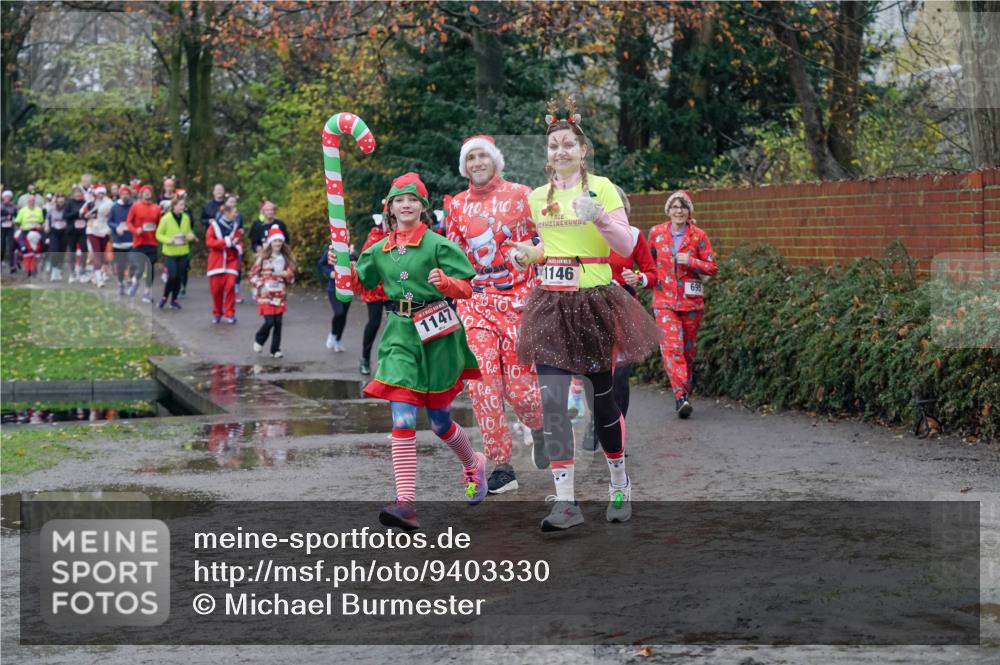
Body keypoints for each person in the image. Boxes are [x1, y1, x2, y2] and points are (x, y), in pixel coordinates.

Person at [508, 97, 660, 531]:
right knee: (553, 402)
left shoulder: (603, 188)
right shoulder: (538, 197)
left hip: (594, 300)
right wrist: (528, 254)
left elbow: (627, 245)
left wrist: (601, 219)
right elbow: (550, 245)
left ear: (582, 149)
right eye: (553, 145)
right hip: (550, 304)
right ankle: (566, 502)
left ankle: (619, 483)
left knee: (602, 400)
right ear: (547, 153)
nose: (560, 151)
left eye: (568, 144)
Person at [351, 172, 486, 531]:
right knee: (403, 419)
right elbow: (360, 285)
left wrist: (447, 282)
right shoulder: (378, 250)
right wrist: (343, 272)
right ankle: (406, 504)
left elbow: (466, 288)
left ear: (423, 207)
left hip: (437, 336)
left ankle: (473, 464)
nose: (406, 205)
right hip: (399, 333)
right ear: (390, 208)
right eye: (400, 200)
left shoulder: (437, 244)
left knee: (440, 422)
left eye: (413, 199)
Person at [446, 134, 544, 495]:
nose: (476, 163)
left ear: (495, 160)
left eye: (482, 156)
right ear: (464, 166)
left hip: (519, 304)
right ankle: (502, 465)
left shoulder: (522, 195)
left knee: (522, 393)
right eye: (470, 158)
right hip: (476, 305)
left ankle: (539, 427)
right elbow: (451, 254)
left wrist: (531, 253)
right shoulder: (457, 205)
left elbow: (547, 238)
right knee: (483, 386)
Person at [581, 189, 657, 451]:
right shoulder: (583, 234)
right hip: (589, 307)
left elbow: (651, 273)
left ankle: (616, 431)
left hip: (623, 308)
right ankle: (596, 421)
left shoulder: (632, 235)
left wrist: (639, 278)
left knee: (620, 377)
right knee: (591, 373)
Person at [647, 190, 717, 418]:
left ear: (689, 212)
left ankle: (685, 391)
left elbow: (712, 267)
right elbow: (648, 263)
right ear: (668, 211)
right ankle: (680, 396)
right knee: (672, 348)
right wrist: (641, 279)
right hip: (664, 301)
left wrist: (692, 261)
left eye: (683, 207)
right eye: (675, 207)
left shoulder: (698, 236)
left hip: (691, 303)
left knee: (687, 351)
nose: (679, 211)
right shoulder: (656, 233)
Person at [251, 227, 295, 358]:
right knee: (269, 322)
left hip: (279, 295)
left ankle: (275, 350)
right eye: (275, 241)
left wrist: (287, 274)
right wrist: (260, 286)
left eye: (280, 241)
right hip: (266, 295)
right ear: (270, 242)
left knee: (278, 323)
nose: (277, 243)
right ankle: (259, 339)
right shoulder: (263, 258)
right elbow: (253, 275)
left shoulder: (285, 259)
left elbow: (291, 279)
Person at [357, 214, 389, 375]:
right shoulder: (374, 238)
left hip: (393, 289)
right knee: (374, 323)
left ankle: (392, 362)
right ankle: (365, 357)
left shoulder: (401, 236)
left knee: (397, 322)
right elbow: (364, 262)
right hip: (375, 289)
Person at [155, 196, 196, 310]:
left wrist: (190, 236)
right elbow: (158, 234)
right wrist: (169, 240)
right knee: (172, 276)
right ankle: (164, 297)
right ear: (174, 206)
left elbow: (189, 232)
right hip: (170, 252)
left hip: (183, 251)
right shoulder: (166, 218)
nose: (183, 207)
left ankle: (174, 300)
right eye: (181, 205)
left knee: (179, 277)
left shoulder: (186, 217)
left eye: (184, 205)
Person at [206, 201, 243, 323]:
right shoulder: (214, 226)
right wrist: (225, 242)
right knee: (216, 290)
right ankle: (217, 312)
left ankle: (230, 313)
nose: (236, 214)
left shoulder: (235, 227)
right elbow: (209, 242)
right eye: (234, 212)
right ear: (227, 213)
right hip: (216, 262)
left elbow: (239, 240)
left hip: (231, 260)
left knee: (230, 286)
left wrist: (237, 246)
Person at [125, 184, 163, 302]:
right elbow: (128, 222)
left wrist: (159, 233)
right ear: (141, 194)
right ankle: (135, 282)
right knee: (140, 268)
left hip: (152, 242)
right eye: (145, 191)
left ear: (152, 194)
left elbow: (160, 224)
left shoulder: (156, 208)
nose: (147, 193)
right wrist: (135, 230)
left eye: (149, 191)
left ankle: (147, 292)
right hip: (139, 242)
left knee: (150, 268)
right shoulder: (135, 207)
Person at [85, 184, 114, 287]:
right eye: (99, 193)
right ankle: (99, 278)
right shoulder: (90, 202)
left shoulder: (109, 203)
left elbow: (112, 214)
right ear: (95, 193)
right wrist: (86, 215)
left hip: (104, 230)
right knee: (97, 252)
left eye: (102, 193)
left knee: (101, 254)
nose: (100, 195)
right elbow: (82, 213)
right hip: (92, 230)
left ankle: (96, 274)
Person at [108, 184, 135, 295]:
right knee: (120, 265)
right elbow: (110, 222)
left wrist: (133, 227)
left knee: (133, 262)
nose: (125, 196)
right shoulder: (115, 207)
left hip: (131, 240)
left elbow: (137, 220)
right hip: (118, 241)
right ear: (119, 195)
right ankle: (120, 283)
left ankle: (130, 281)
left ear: (130, 195)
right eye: (123, 194)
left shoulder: (133, 206)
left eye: (127, 194)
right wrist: (116, 227)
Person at [63, 186, 88, 282]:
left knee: (84, 249)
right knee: (72, 251)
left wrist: (86, 216)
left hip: (83, 231)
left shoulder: (84, 203)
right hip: (72, 231)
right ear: (73, 194)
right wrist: (77, 213)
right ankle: (72, 272)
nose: (78, 194)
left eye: (79, 192)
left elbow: (88, 215)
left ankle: (82, 269)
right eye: (76, 193)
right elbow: (65, 216)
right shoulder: (69, 203)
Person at [44, 194, 68, 281]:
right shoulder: (52, 210)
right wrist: (46, 226)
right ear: (56, 202)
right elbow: (47, 219)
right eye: (59, 202)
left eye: (62, 202)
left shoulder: (67, 209)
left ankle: (59, 270)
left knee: (62, 252)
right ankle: (54, 270)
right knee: (55, 251)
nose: (61, 203)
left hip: (64, 232)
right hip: (54, 232)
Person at [2, 190, 19, 273]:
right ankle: (1, 261)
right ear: (3, 198)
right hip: (2, 227)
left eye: (8, 197)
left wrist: (14, 220)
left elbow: (17, 216)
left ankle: (12, 265)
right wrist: (5, 218)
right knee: (2, 245)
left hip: (10, 228)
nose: (7, 199)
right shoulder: (1, 206)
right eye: (6, 197)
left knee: (11, 246)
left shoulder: (13, 207)